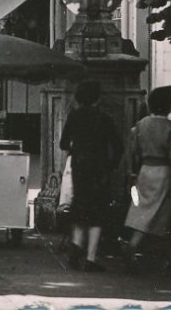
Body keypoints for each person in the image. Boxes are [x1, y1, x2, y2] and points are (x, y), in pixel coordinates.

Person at [122, 85, 171, 270]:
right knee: (170, 214)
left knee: (142, 212)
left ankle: (133, 245)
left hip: (145, 171)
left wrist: (133, 174)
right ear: (168, 105)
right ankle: (167, 256)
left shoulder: (140, 126)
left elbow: (134, 152)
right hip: (164, 172)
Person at [59, 80, 124, 272]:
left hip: (79, 167)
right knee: (97, 214)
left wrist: (77, 149)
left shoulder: (74, 117)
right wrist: (111, 166)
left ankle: (77, 245)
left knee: (80, 208)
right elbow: (118, 147)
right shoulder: (104, 118)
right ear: (97, 98)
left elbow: (63, 144)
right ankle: (90, 258)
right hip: (100, 170)